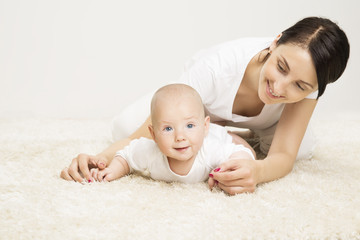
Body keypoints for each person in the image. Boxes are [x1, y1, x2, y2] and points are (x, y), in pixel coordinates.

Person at [61, 16, 350, 195]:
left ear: (314, 89)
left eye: (300, 86)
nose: (280, 88)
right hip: (196, 114)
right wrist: (98, 158)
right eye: (281, 67)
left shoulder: (309, 82)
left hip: (261, 125)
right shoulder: (215, 68)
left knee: (301, 149)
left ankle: (233, 137)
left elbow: (284, 155)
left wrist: (257, 172)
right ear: (274, 43)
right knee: (125, 128)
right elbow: (143, 134)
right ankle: (214, 130)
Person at [89, 83, 255, 184]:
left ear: (205, 126)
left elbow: (240, 154)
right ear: (153, 135)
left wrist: (234, 165)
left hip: (219, 135)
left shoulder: (212, 149)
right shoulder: (149, 151)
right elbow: (126, 156)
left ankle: (238, 134)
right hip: (203, 134)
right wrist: (113, 171)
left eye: (189, 125)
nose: (180, 137)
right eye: (168, 129)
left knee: (248, 149)